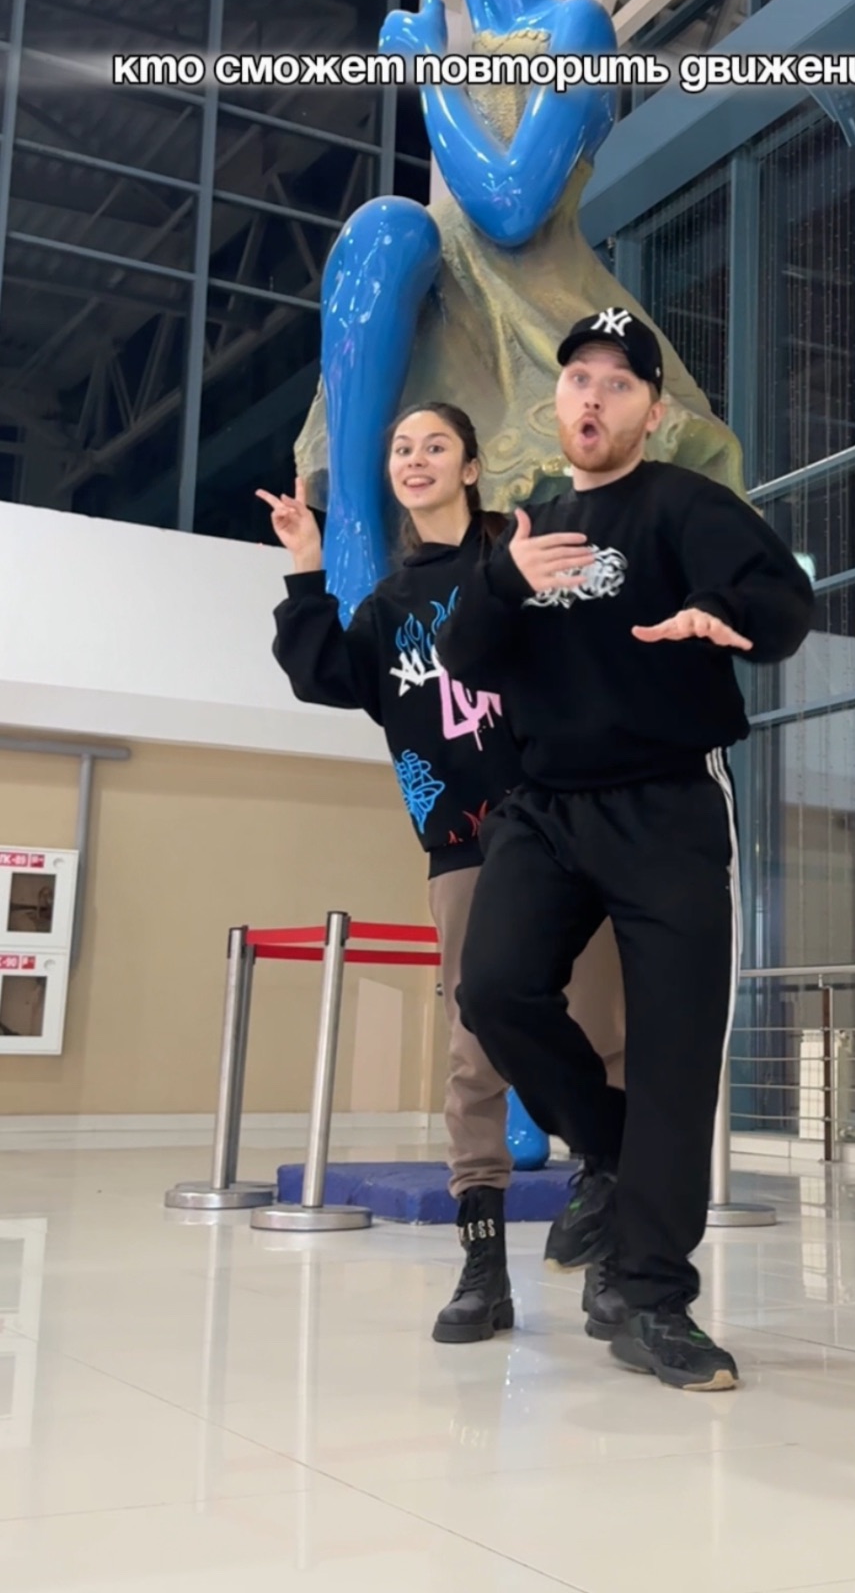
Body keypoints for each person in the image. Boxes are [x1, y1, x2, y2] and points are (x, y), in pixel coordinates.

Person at [293, 0, 745, 623]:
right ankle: (355, 537)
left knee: (392, 225)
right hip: (447, 286)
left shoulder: (575, 28)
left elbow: (507, 207)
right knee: (385, 232)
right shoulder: (491, 14)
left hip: (524, 300)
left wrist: (431, 73)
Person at [436, 311, 815, 1392]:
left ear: (652, 411)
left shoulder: (688, 506)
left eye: (617, 383)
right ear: (556, 402)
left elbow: (782, 602)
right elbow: (466, 655)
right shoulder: (526, 527)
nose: (593, 397)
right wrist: (503, 581)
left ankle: (650, 1297)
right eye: (578, 380)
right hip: (543, 805)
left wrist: (717, 611)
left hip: (665, 802)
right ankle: (607, 1147)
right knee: (495, 990)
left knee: (674, 1055)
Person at [260, 403, 626, 1346]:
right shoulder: (390, 606)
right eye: (401, 449)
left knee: (601, 1035)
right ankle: (482, 1265)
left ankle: (616, 1250)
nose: (414, 460)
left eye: (435, 446)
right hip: (464, 847)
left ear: (470, 466)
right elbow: (323, 676)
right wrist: (304, 563)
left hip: (567, 829)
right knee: (474, 1053)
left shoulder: (520, 558)